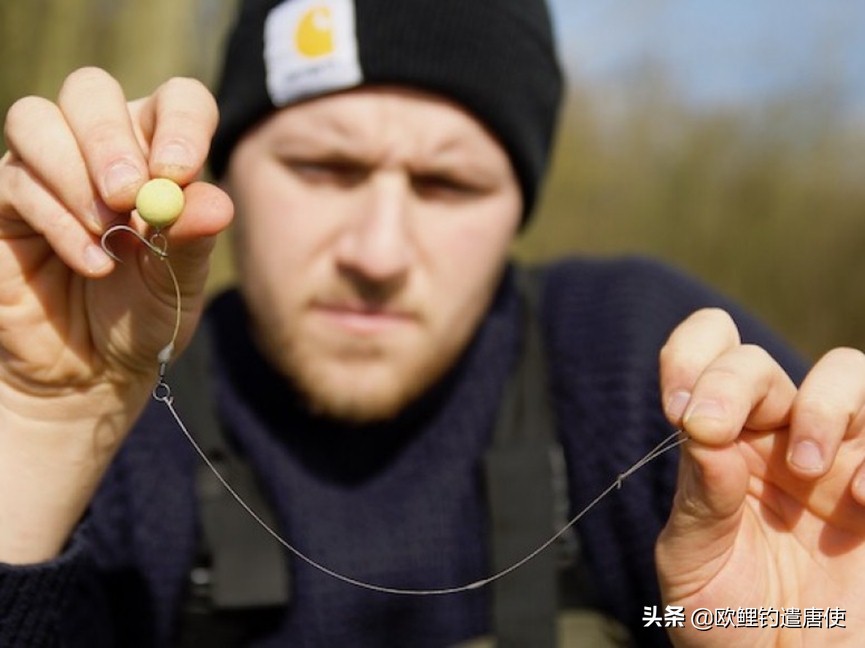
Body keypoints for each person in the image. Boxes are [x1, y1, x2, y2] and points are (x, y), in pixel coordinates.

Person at [1, 0, 865, 646]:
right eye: (325, 167)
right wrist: (36, 431)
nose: (377, 252)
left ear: (516, 210)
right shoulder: (118, 413)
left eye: (447, 185)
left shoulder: (649, 370)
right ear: (218, 178)